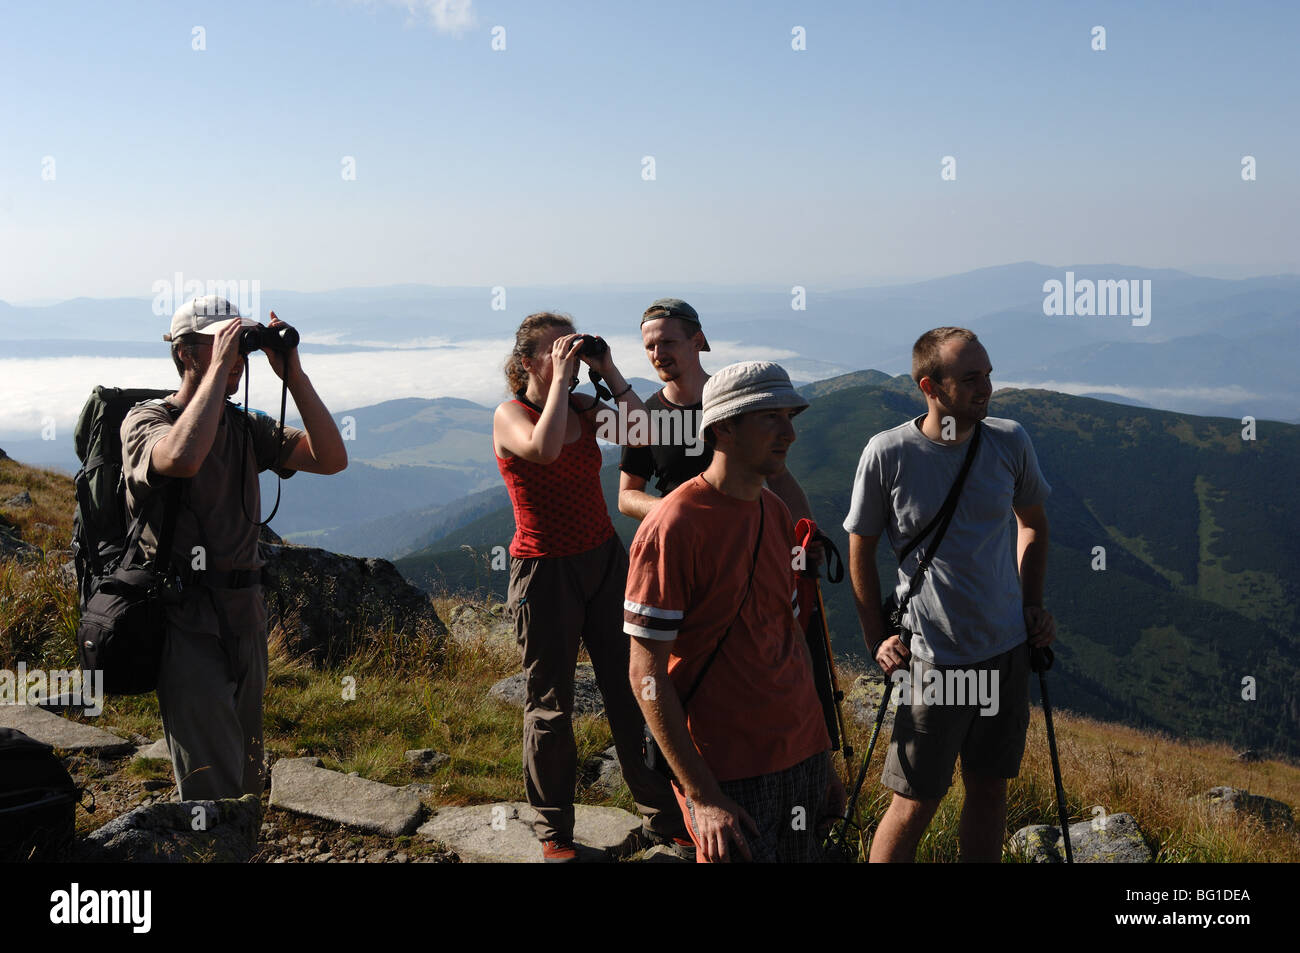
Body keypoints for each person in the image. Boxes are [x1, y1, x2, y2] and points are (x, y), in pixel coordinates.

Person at [121, 294, 347, 800]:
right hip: (185, 618)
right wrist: (218, 369)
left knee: (247, 769)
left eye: (240, 345)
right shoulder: (145, 421)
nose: (237, 359)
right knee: (209, 778)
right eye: (221, 344)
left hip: (246, 614)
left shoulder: (245, 427)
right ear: (185, 354)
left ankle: (239, 849)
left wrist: (294, 377)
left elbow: (332, 458)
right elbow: (179, 458)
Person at [843, 326, 1055, 862]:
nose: (986, 388)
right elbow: (859, 549)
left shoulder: (1010, 440)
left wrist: (1032, 605)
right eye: (970, 378)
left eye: (987, 374)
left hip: (1006, 649)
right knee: (915, 800)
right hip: (933, 659)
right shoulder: (888, 453)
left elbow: (1033, 524)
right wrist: (877, 638)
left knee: (989, 788)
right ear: (929, 386)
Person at [626, 361, 844, 863]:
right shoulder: (674, 525)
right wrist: (702, 795)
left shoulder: (776, 514)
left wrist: (822, 754)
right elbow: (645, 672)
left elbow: (790, 639)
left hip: (801, 754)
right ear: (723, 426)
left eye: (791, 417)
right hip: (728, 768)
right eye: (770, 418)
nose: (789, 432)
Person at [492, 311, 689, 863]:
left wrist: (607, 369)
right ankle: (554, 831)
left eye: (572, 350)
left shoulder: (583, 404)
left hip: (604, 560)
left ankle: (662, 816)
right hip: (545, 570)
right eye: (556, 351)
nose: (568, 359)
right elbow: (544, 449)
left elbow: (642, 433)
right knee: (550, 704)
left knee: (633, 689)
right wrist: (560, 382)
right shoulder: (512, 414)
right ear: (528, 361)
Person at [617, 298, 818, 530]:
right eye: (649, 346)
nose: (657, 354)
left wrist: (807, 535)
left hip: (747, 538)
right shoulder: (645, 414)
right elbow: (627, 495)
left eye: (668, 342)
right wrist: (674, 510)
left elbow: (777, 474)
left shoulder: (735, 403)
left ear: (697, 341)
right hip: (682, 542)